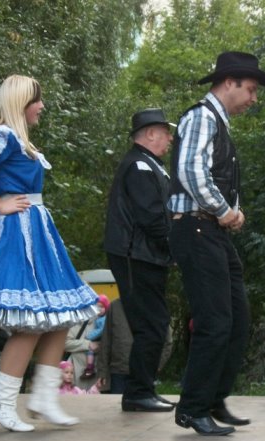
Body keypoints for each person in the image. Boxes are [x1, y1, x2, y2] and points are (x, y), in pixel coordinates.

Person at [0, 75, 99, 432]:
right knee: (30, 321)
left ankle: (43, 398)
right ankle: (1, 402)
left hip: (36, 233)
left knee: (60, 315)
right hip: (14, 235)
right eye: (36, 100)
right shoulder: (2, 135)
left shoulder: (19, 140)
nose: (42, 106)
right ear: (21, 103)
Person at [168, 51, 265, 436]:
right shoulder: (201, 117)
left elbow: (212, 174)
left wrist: (233, 210)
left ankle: (213, 399)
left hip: (209, 229)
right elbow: (191, 171)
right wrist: (225, 209)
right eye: (251, 90)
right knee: (214, 321)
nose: (254, 98)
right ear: (229, 82)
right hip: (195, 227)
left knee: (237, 319)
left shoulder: (217, 123)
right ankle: (193, 408)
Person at [104, 108, 175, 413]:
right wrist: (178, 247)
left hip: (146, 256)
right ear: (150, 134)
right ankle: (137, 393)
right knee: (151, 324)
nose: (170, 139)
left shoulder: (150, 165)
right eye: (166, 132)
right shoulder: (139, 166)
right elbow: (152, 217)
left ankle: (142, 390)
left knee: (154, 323)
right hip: (136, 256)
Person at [63, 294, 109, 390]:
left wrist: (100, 346)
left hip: (97, 370)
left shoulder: (104, 321)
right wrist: (87, 344)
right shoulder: (76, 321)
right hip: (76, 371)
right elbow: (65, 344)